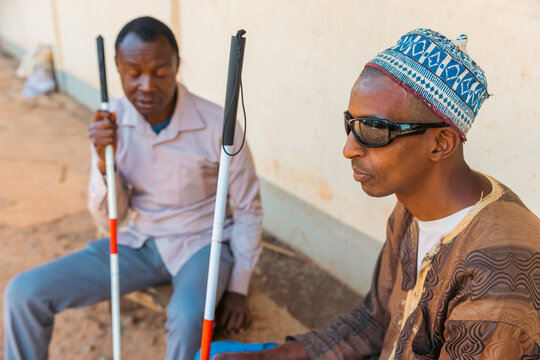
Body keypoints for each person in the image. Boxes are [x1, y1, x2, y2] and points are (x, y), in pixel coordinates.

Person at [213, 29, 540, 359]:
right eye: (351, 124)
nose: (348, 149)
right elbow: (375, 320)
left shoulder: (501, 276)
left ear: (441, 143)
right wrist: (266, 357)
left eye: (373, 130)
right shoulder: (411, 206)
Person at [3, 16, 263, 360]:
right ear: (117, 68)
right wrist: (102, 163)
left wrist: (239, 287)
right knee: (24, 292)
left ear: (176, 66)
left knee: (187, 320)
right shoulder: (109, 122)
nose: (146, 86)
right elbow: (112, 214)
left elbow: (248, 209)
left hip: (200, 244)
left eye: (159, 72)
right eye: (133, 72)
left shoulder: (218, 125)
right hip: (139, 242)